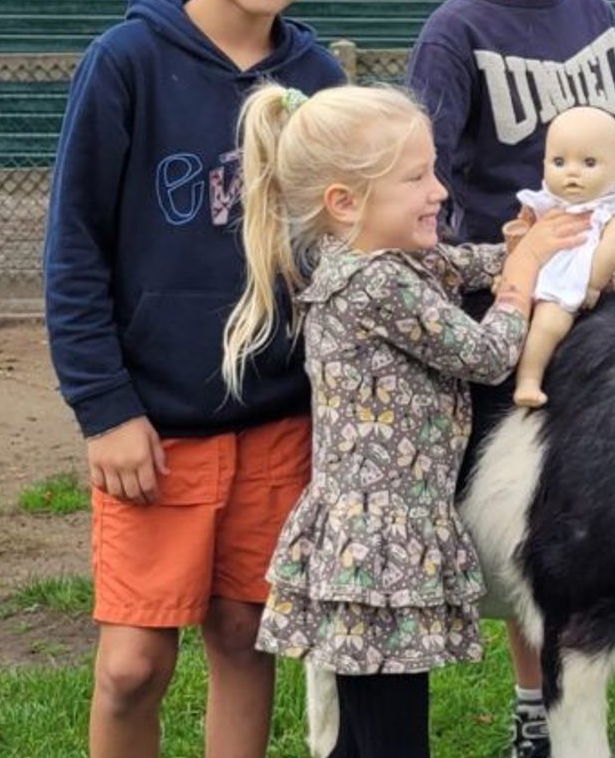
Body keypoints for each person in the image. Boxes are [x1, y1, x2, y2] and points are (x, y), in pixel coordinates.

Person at [221, 81, 588, 758]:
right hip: (379, 552)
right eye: (417, 177)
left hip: (377, 542)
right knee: (391, 741)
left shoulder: (384, 260)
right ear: (344, 202)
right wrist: (525, 275)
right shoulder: (376, 283)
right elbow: (482, 355)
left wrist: (523, 246)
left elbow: (464, 263)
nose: (440, 191)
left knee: (365, 738)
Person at [42, 0, 342, 755]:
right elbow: (74, 249)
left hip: (280, 420)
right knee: (133, 667)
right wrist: (105, 409)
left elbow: (350, 235)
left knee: (246, 635)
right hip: (155, 429)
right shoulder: (126, 62)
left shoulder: (319, 76)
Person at [407, 0, 615, 753]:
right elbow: (426, 168)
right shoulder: (455, 30)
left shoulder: (595, 10)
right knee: (541, 528)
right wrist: (503, 265)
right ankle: (535, 709)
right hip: (519, 309)